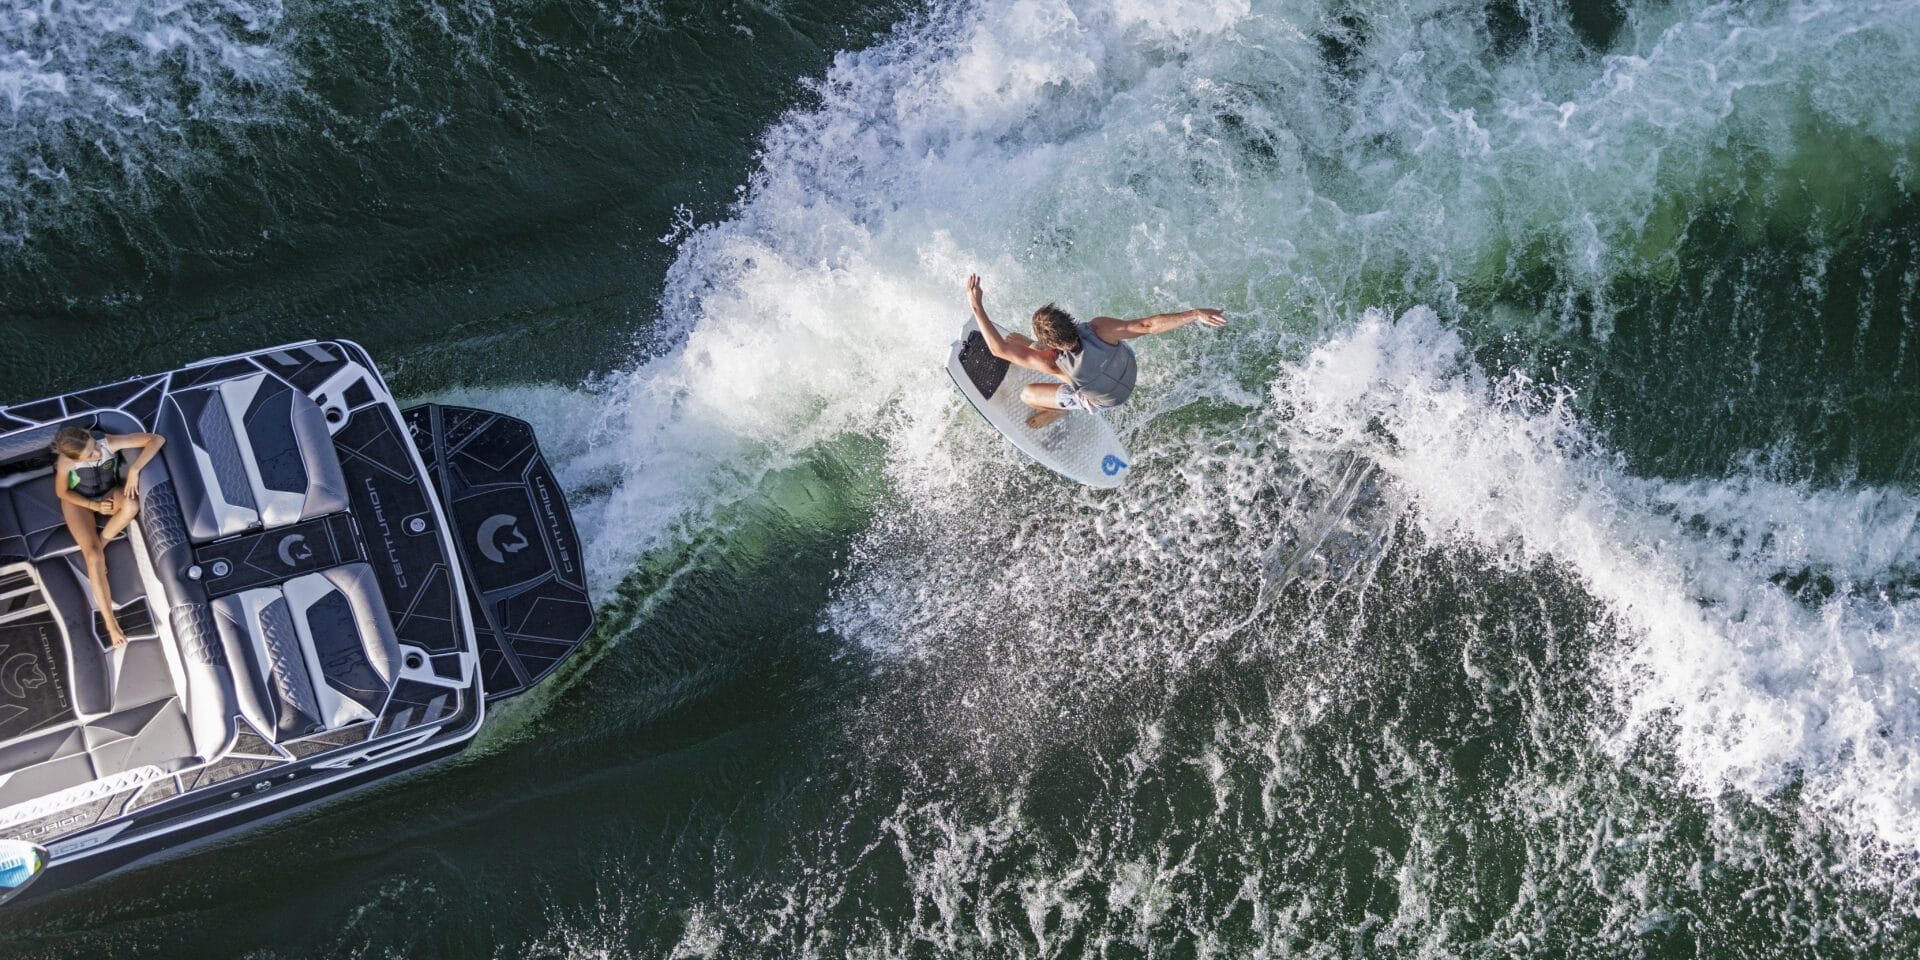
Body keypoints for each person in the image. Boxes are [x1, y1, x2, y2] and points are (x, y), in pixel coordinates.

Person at [965, 273, 1227, 428]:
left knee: (1027, 393)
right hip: (1127, 369)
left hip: (1104, 402)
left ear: (1052, 346)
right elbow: (1148, 325)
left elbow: (998, 349)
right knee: (1033, 347)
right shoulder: (1100, 328)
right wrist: (1195, 313)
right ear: (1068, 318)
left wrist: (977, 306)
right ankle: (1030, 346)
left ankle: (1060, 410)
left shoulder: (1051, 362)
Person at [50, 425, 166, 646]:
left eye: (94, 446)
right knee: (93, 558)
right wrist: (92, 506)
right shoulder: (66, 462)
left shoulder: (108, 443)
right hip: (79, 502)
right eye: (90, 454)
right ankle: (110, 624)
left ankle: (101, 543)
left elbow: (157, 440)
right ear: (75, 458)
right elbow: (62, 492)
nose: (97, 453)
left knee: (131, 505)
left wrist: (134, 470)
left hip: (108, 493)